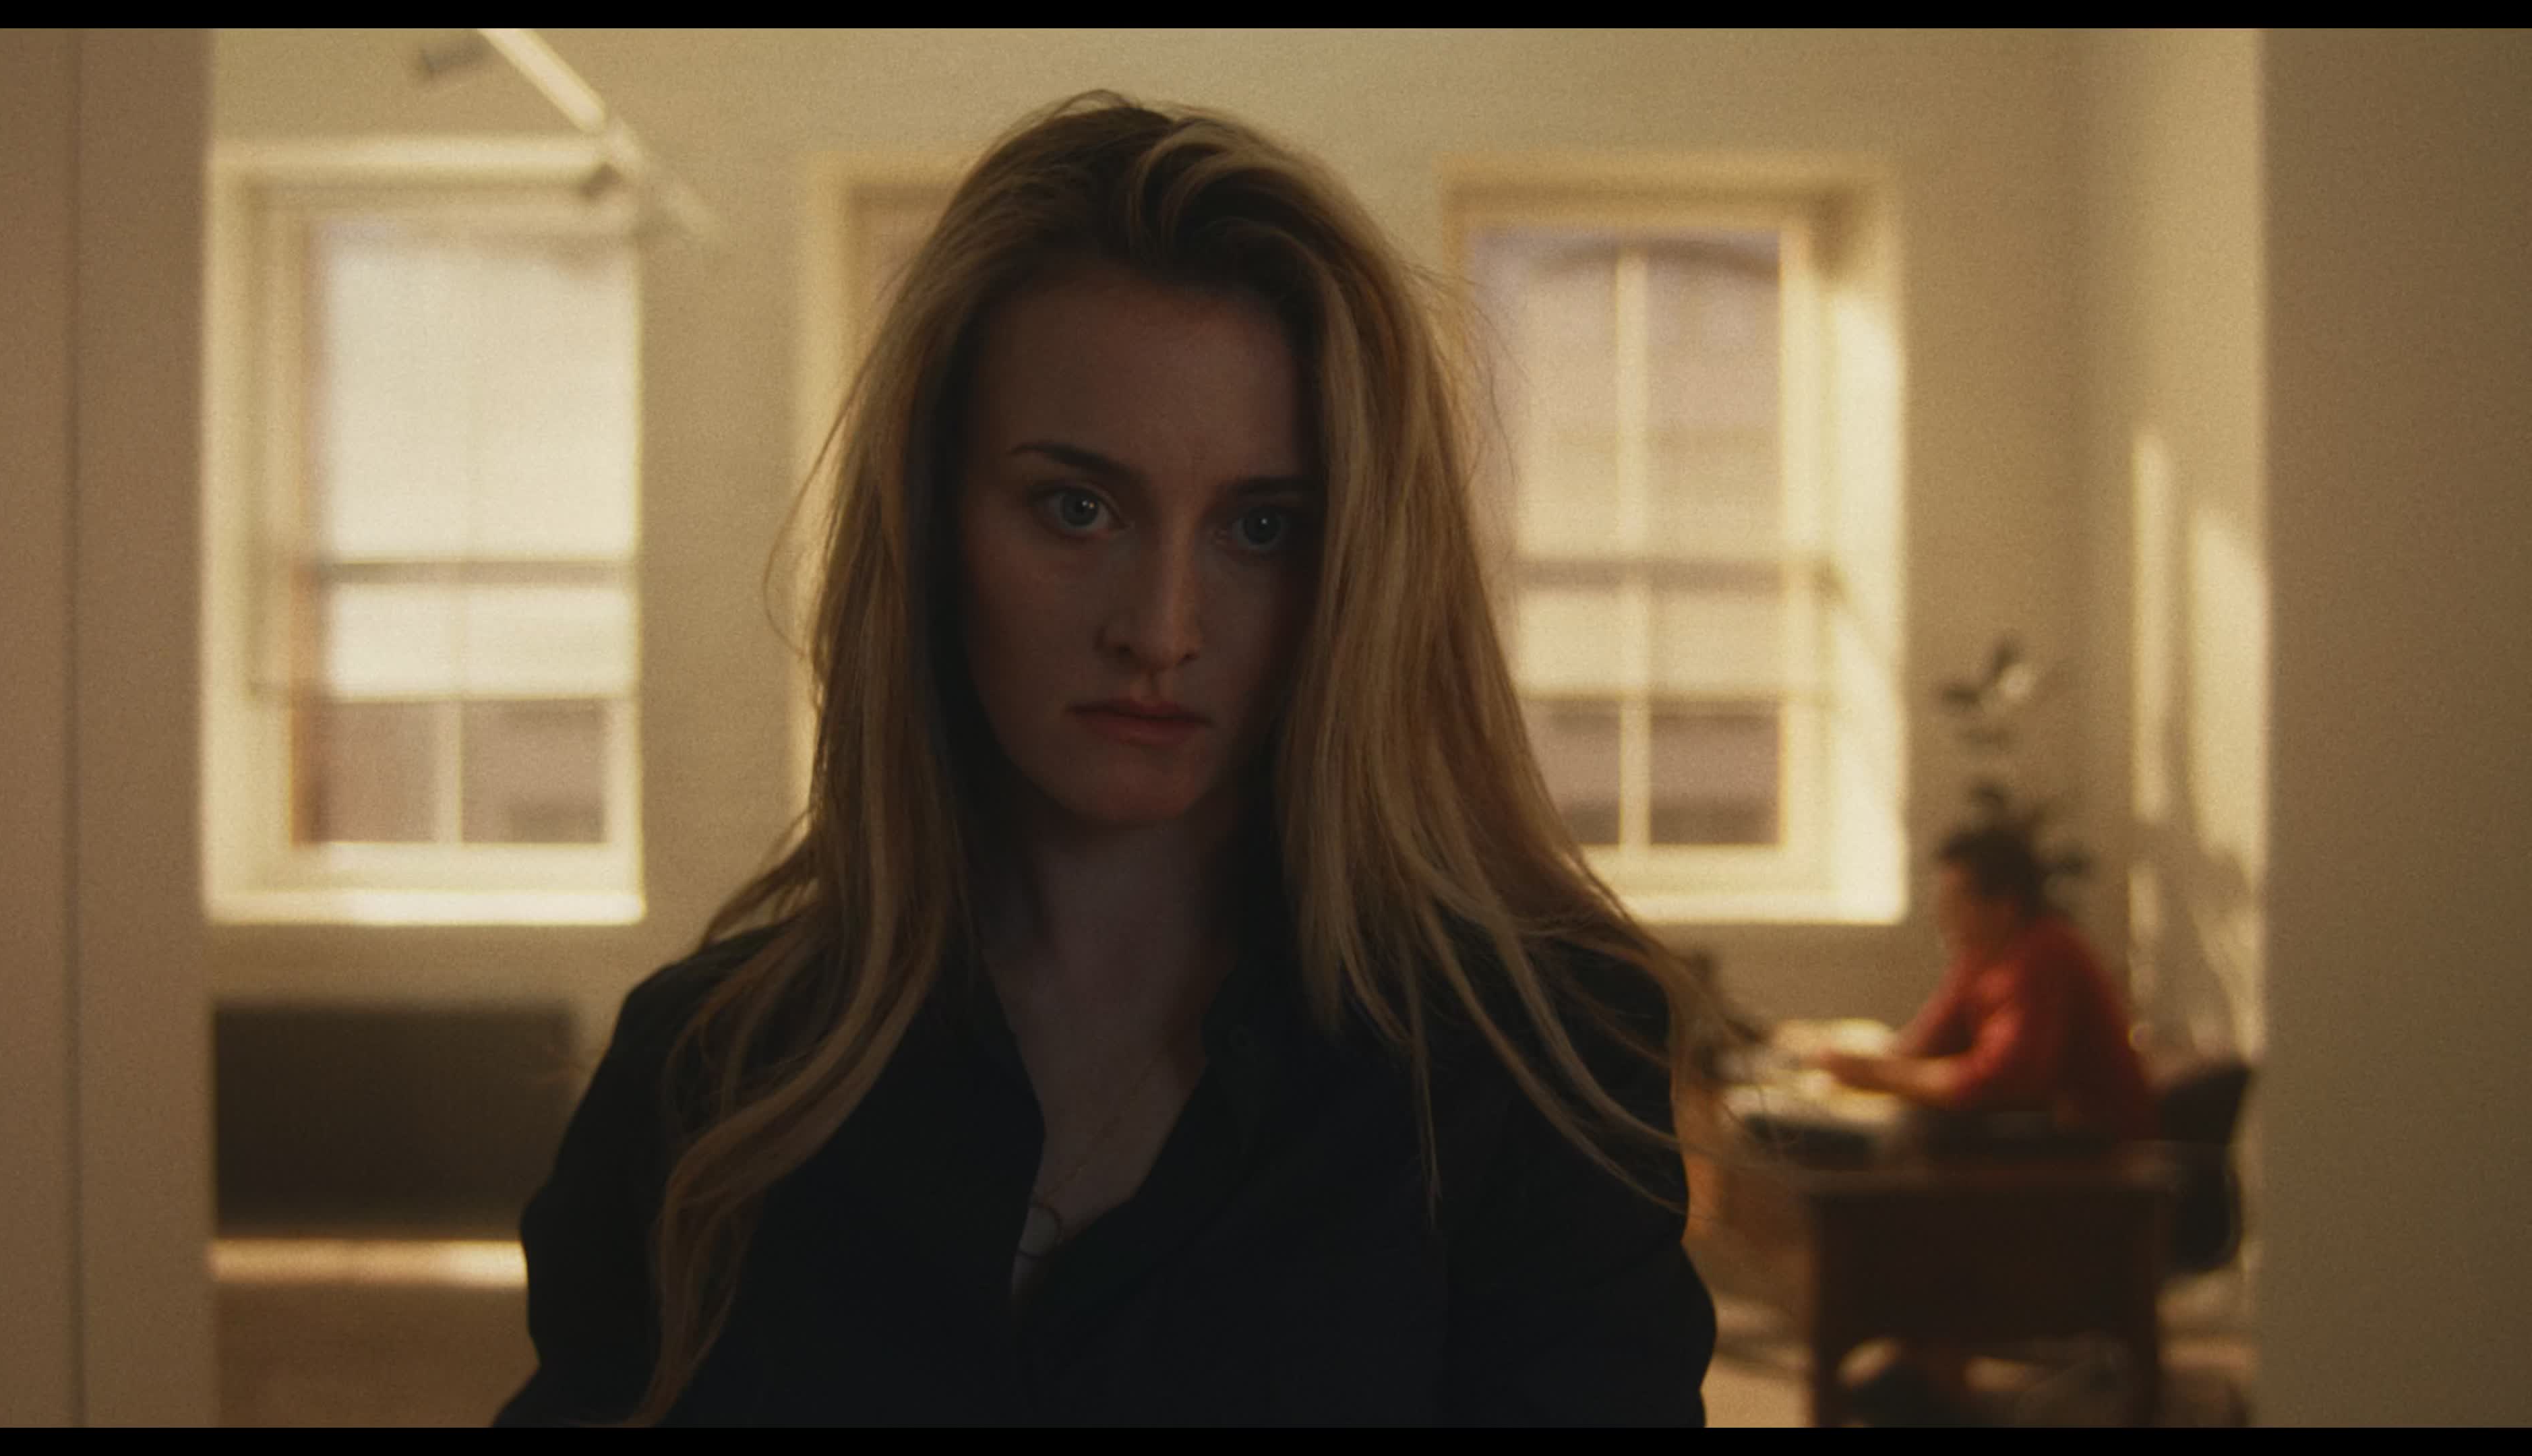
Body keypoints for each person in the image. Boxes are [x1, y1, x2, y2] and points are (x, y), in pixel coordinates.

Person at [494, 90, 1722, 1427]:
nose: (1162, 629)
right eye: (1076, 507)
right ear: (932, 520)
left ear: (1356, 568)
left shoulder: (1529, 1066)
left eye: (1261, 528)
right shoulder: (710, 1071)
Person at [1813, 824, 2157, 1424]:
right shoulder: (1982, 955)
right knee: (1906, 1154)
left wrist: (1877, 1075)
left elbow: (2000, 1081)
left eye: (1956, 903)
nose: (1943, 918)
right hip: (2031, 1149)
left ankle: (1941, 1372)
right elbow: (1924, 1049)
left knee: (1924, 1162)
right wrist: (1855, 1062)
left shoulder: (2044, 955)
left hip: (2092, 1169)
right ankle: (1926, 1358)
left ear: (2003, 906)